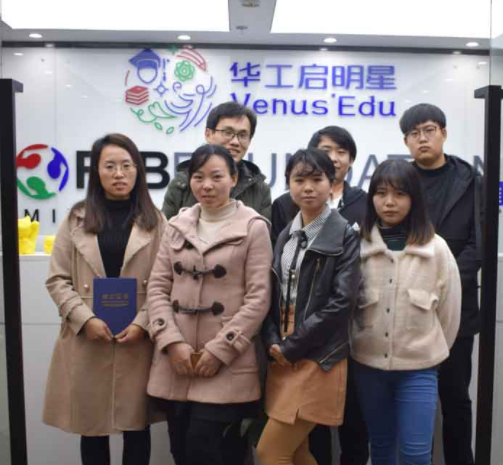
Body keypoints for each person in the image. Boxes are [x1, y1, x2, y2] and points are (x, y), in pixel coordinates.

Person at [43, 133, 166, 465]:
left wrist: (142, 323)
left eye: (127, 165)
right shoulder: (76, 218)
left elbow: (165, 282)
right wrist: (85, 320)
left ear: (138, 170)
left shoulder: (155, 220)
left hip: (137, 339)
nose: (119, 173)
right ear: (96, 172)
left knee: (136, 429)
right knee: (92, 429)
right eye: (109, 166)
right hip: (89, 338)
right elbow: (57, 279)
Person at [147, 144, 272, 465]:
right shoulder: (176, 225)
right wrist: (171, 342)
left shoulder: (254, 227)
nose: (207, 185)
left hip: (227, 365)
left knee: (210, 451)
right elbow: (158, 288)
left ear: (233, 179)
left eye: (217, 176)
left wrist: (220, 350)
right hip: (176, 364)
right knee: (181, 452)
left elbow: (258, 298)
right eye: (198, 177)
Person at [352, 159, 461, 465]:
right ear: (371, 198)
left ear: (414, 198)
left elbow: (449, 314)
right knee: (381, 448)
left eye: (400, 194)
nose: (389, 202)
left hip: (419, 370)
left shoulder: (436, 249)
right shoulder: (358, 246)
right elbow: (348, 310)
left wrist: (427, 350)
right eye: (381, 193)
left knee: (416, 454)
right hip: (368, 367)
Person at [257, 148, 361, 465]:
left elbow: (341, 302)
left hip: (318, 355)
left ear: (332, 183)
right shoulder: (286, 234)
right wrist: (272, 339)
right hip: (282, 352)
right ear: (288, 183)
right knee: (298, 452)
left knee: (270, 452)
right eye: (299, 179)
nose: (308, 187)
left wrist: (293, 345)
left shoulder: (345, 235)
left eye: (317, 179)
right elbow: (273, 293)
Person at [400, 103, 482, 465]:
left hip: (456, 308)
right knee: (410, 401)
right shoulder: (398, 181)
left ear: (444, 133)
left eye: (429, 130)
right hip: (405, 308)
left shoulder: (471, 181)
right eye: (414, 133)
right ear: (406, 141)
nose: (422, 138)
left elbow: (480, 244)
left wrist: (442, 281)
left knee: (455, 399)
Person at [162, 101, 272, 220]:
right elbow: (166, 229)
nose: (235, 142)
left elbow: (263, 231)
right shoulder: (181, 184)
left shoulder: (259, 189)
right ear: (208, 134)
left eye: (242, 135)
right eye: (227, 132)